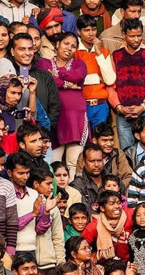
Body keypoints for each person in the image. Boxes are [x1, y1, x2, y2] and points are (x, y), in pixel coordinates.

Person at [37, 32, 88, 180]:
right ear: (57, 44)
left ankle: (73, 191)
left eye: (73, 46)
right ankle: (54, 191)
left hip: (76, 118)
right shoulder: (44, 63)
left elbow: (78, 75)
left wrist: (58, 74)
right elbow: (48, 79)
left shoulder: (79, 64)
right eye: (66, 44)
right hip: (55, 118)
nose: (69, 48)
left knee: (73, 163)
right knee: (54, 163)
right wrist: (68, 84)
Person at [108, 18, 145, 151]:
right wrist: (119, 107)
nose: (136, 39)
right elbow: (110, 86)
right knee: (127, 152)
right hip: (123, 113)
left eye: (139, 35)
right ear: (123, 35)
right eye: (132, 36)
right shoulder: (115, 56)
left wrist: (142, 106)